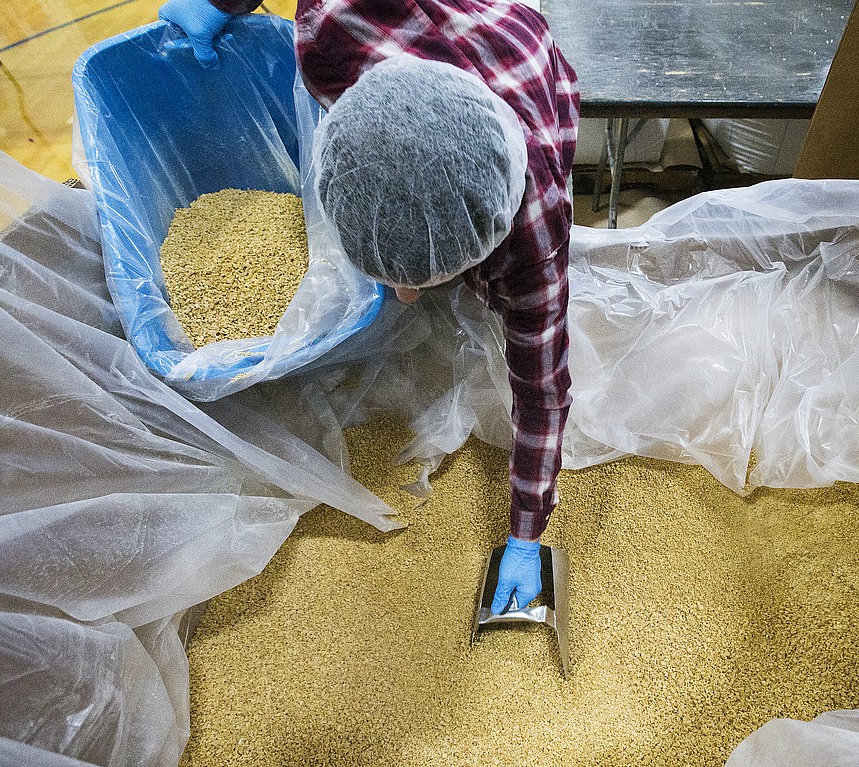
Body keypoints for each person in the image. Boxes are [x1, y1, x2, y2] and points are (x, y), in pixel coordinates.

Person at [158, 0, 578, 615]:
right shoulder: (332, 34)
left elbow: (542, 393)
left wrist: (526, 531)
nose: (405, 297)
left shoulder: (534, 238)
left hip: (518, 51)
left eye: (430, 276)